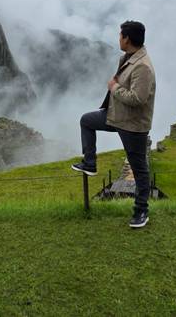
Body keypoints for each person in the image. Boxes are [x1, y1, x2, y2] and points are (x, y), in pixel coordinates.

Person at [71, 20, 156, 228]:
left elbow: (138, 99)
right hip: (116, 116)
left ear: (127, 39)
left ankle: (141, 211)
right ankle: (89, 163)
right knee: (86, 121)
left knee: (139, 170)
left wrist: (114, 87)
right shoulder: (128, 58)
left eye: (120, 35)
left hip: (133, 124)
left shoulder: (142, 66)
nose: (118, 38)